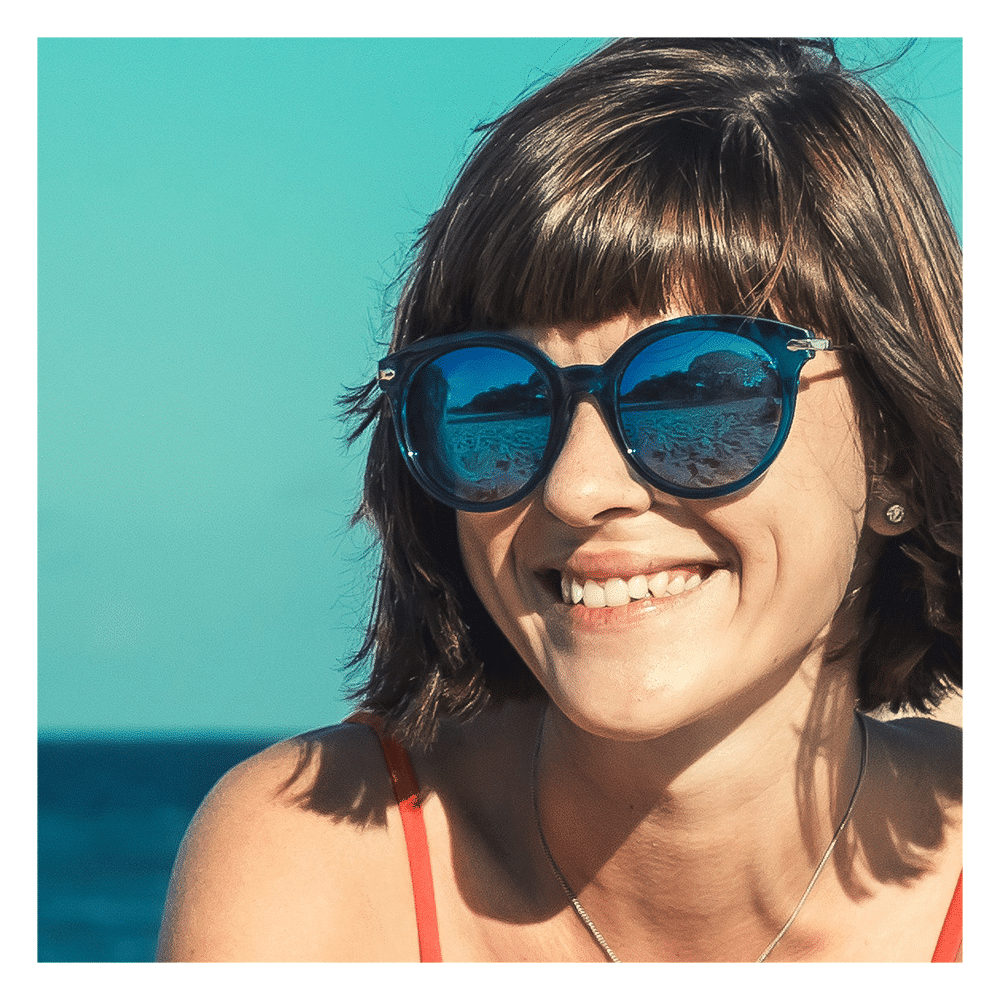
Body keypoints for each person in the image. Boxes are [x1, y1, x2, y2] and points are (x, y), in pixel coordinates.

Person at [157, 37, 961, 962]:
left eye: (693, 390)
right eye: (504, 396)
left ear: (895, 448)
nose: (577, 486)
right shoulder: (318, 866)